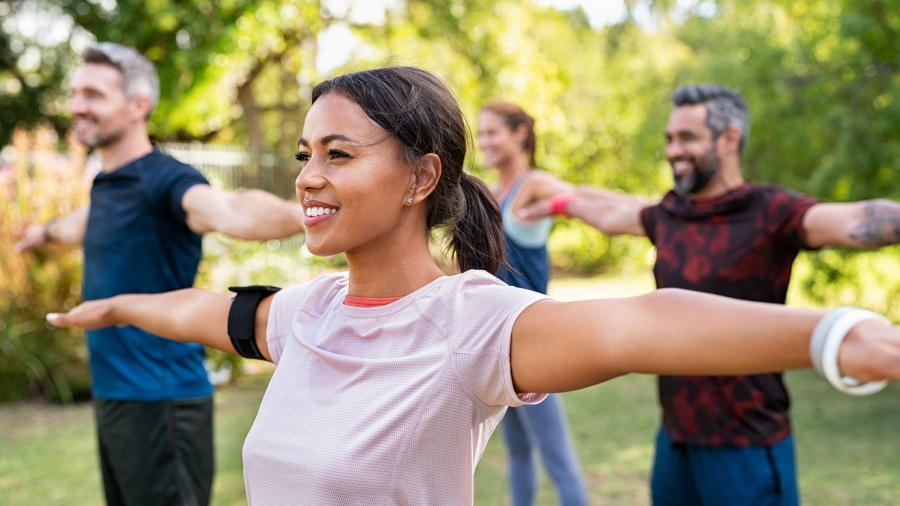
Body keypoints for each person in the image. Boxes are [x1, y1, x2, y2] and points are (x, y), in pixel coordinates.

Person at [46, 68, 900, 506]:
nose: (308, 175)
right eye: (306, 153)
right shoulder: (309, 312)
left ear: (421, 177)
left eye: (338, 154)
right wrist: (119, 307)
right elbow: (211, 313)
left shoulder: (472, 323)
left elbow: (644, 323)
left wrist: (833, 335)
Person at [520, 83, 900, 506]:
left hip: (746, 443)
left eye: (687, 138)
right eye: (669, 138)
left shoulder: (770, 212)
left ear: (730, 138)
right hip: (677, 440)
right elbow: (609, 212)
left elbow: (854, 219)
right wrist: (554, 203)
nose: (672, 150)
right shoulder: (668, 214)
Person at [15, 43, 306, 506]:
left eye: (93, 94)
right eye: (75, 93)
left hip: (162, 401)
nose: (77, 106)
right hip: (115, 398)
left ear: (138, 106)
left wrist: (311, 215)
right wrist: (40, 234)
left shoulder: (165, 181)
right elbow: (80, 224)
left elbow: (228, 210)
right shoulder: (110, 185)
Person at [477, 101, 589, 506]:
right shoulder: (490, 194)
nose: (484, 141)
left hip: (533, 340)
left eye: (492, 132)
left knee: (557, 459)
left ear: (520, 132)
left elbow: (582, 199)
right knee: (519, 453)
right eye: (481, 132)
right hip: (496, 344)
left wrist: (557, 206)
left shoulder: (534, 185)